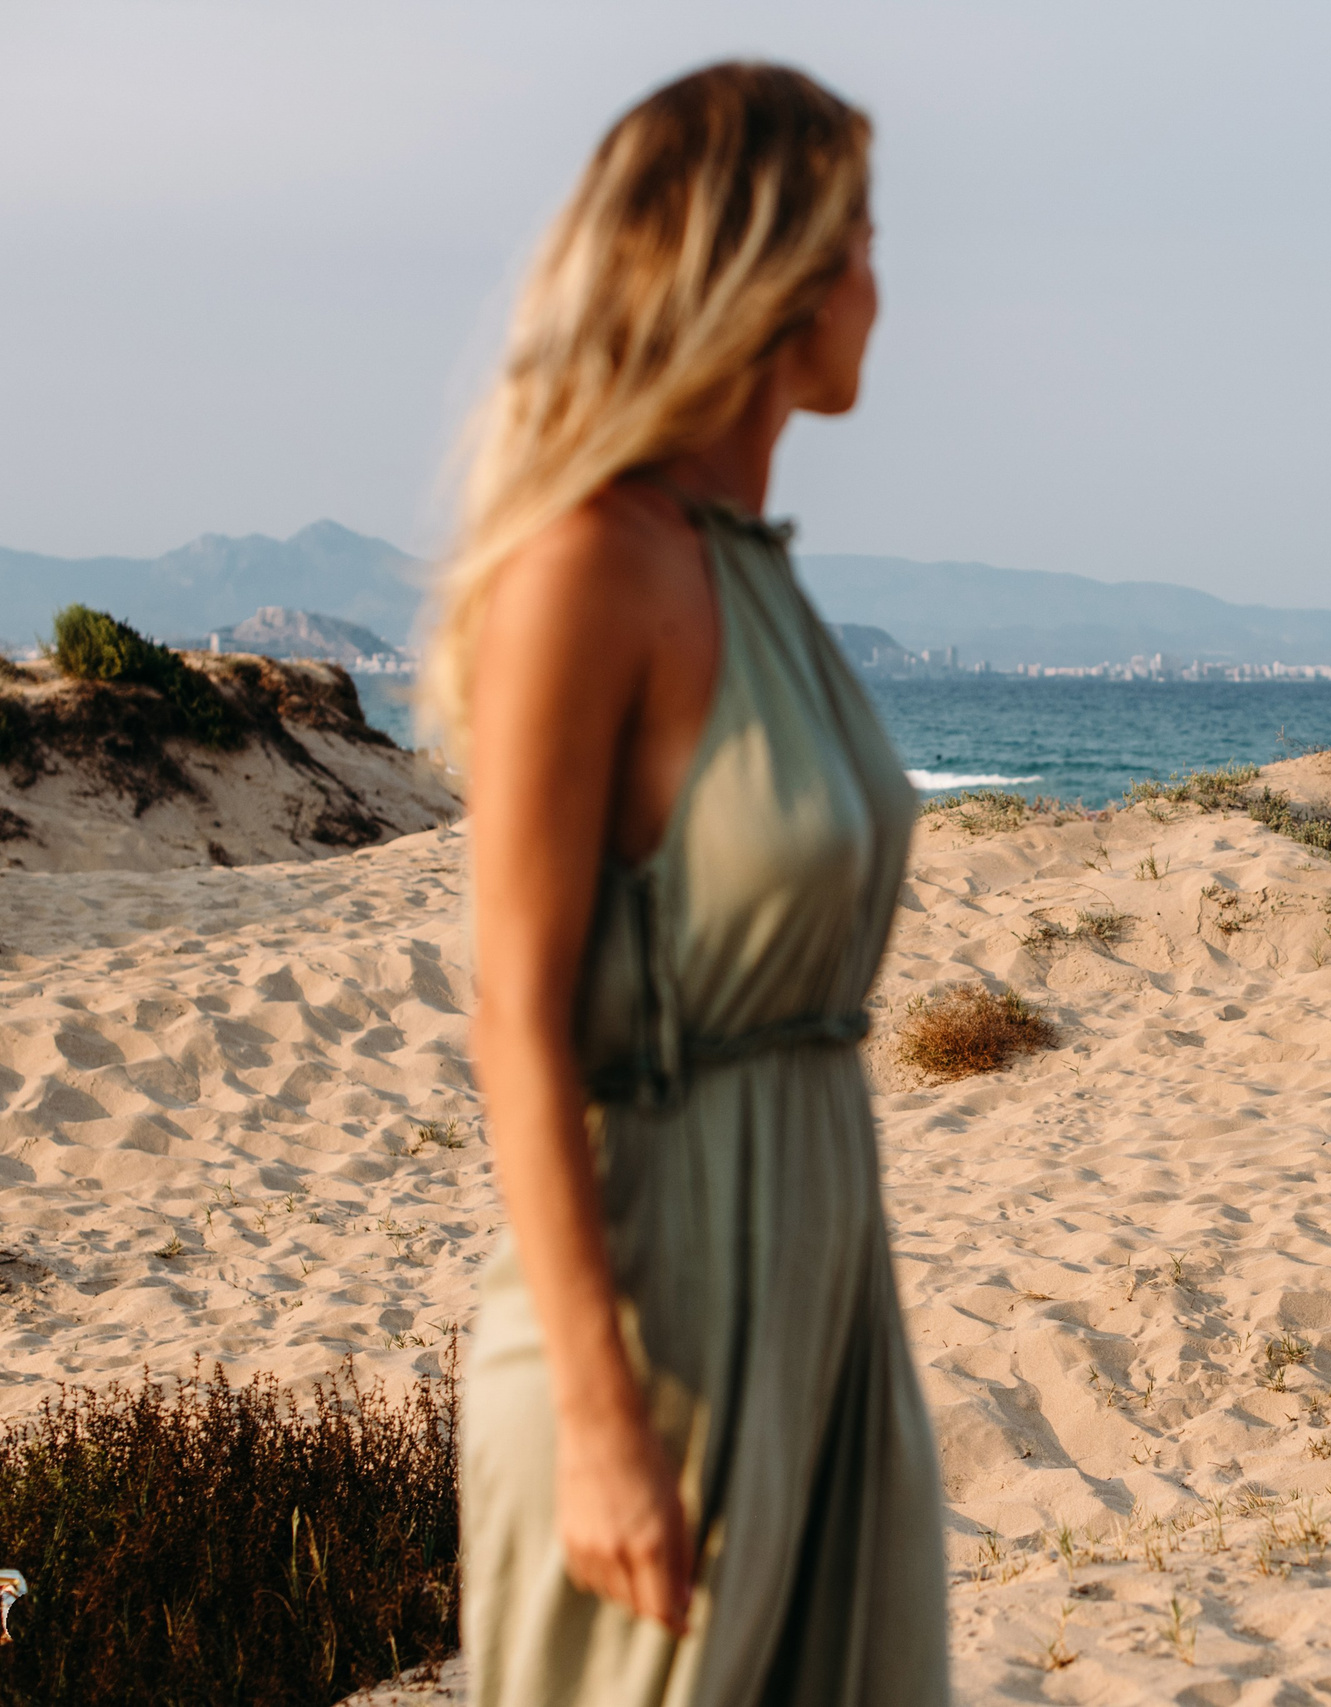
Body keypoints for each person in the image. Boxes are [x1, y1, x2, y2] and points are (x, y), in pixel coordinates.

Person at [420, 62, 945, 1705]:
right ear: (770, 270)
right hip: (660, 1296)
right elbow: (514, 1011)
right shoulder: (587, 565)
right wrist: (598, 1415)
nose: (881, 282)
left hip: (819, 1272)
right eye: (859, 237)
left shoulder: (755, 575)